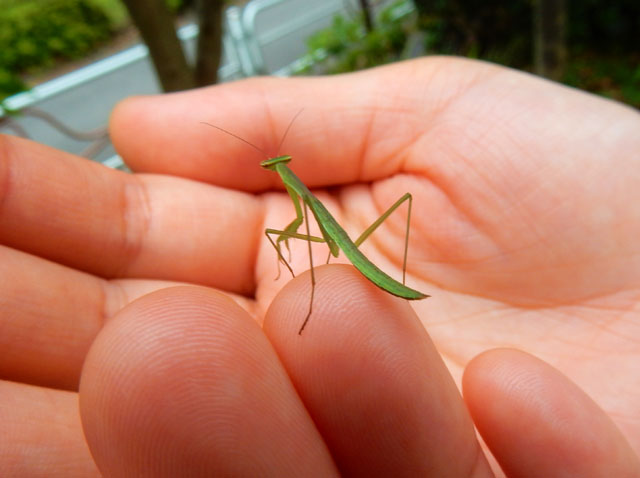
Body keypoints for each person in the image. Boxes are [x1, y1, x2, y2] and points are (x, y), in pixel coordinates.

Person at [1, 57, 638, 476]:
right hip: (348, 259)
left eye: (276, 167)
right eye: (272, 168)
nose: (273, 172)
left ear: (285, 169)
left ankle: (316, 296)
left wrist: (307, 293)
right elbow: (301, 236)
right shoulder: (294, 199)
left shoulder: (301, 199)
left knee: (348, 239)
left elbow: (311, 240)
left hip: (366, 267)